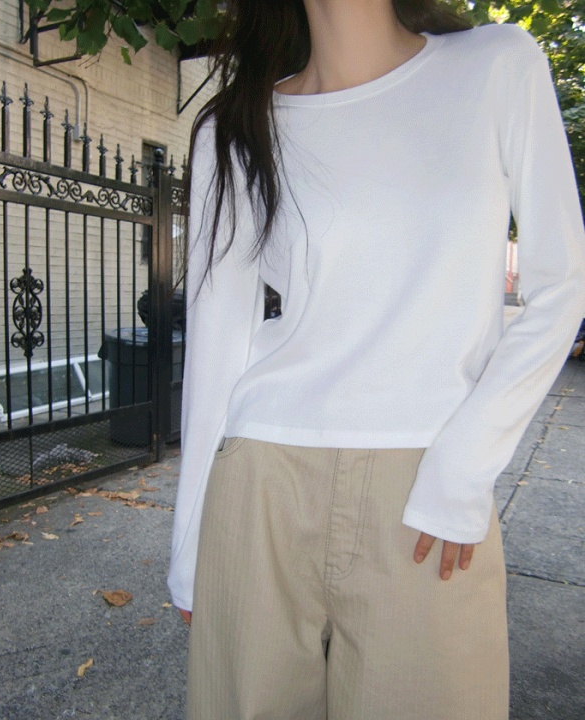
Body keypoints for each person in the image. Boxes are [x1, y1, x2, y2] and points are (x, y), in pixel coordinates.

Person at [168, 1, 585, 718]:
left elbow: (561, 287)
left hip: (424, 491)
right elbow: (218, 341)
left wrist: (462, 467)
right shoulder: (235, 127)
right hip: (261, 485)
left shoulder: (496, 66)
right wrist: (188, 551)